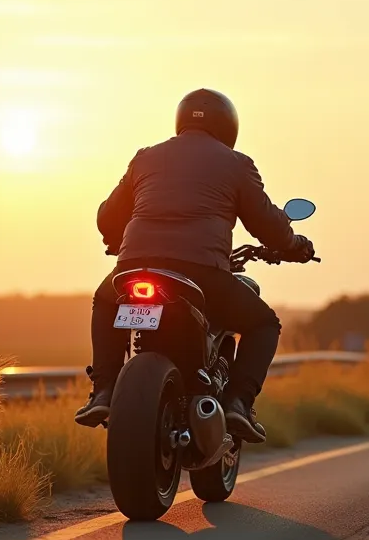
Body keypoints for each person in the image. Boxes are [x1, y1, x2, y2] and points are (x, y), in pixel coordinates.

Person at [74, 88, 315, 444]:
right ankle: (238, 403)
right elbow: (270, 226)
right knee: (264, 323)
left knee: (105, 299)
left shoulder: (146, 158)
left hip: (136, 265)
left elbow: (108, 216)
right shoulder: (236, 164)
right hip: (202, 272)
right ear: (228, 127)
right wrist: (296, 246)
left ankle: (104, 390)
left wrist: (117, 240)